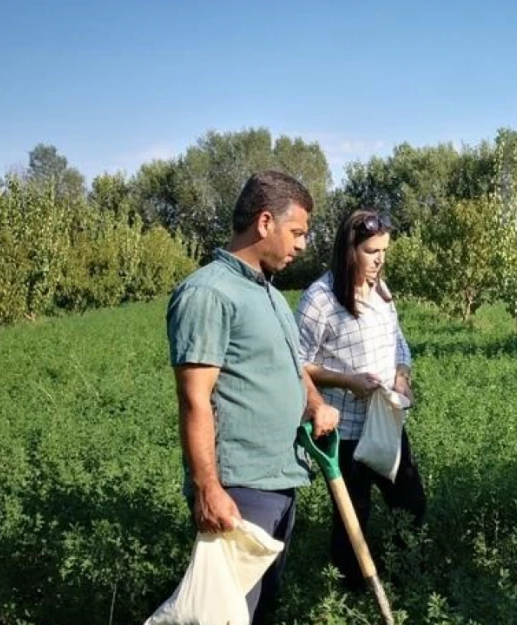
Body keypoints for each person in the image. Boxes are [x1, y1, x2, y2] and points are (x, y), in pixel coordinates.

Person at [165, 170, 340, 624]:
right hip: (239, 489)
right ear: (265, 222)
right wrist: (208, 487)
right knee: (224, 614)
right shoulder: (208, 293)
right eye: (297, 232)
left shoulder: (267, 293)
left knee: (260, 607)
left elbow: (290, 370)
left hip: (279, 478)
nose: (302, 245)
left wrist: (315, 404)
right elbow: (194, 400)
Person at [295, 207, 425, 592]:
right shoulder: (319, 299)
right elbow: (295, 363)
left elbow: (399, 343)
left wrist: (401, 378)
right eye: (372, 251)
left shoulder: (381, 290)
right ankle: (352, 595)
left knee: (412, 505)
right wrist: (346, 381)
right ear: (350, 249)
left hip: (385, 423)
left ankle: (406, 582)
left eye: (384, 250)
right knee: (353, 517)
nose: (380, 259)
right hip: (345, 432)